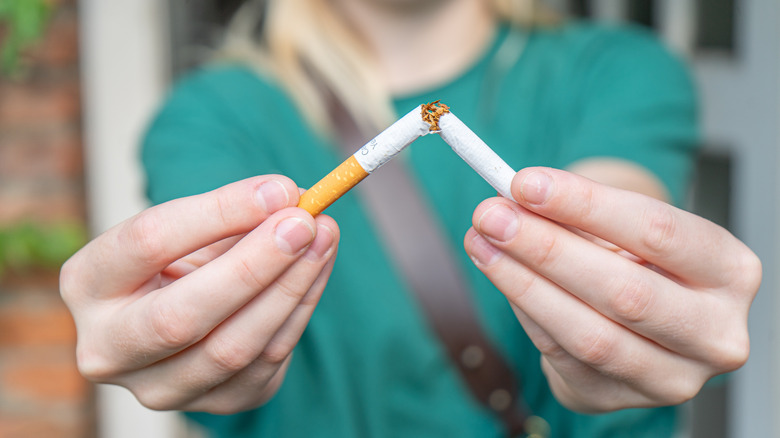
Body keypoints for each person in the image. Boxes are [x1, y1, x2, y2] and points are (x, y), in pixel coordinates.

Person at [60, 0, 761, 436]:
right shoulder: (213, 113)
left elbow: (614, 196)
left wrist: (629, 295)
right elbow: (198, 278)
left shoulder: (617, 71)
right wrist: (176, 319)